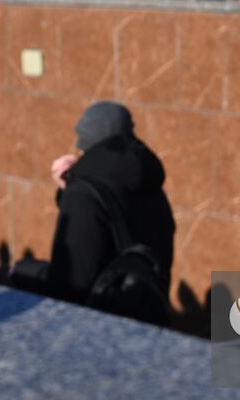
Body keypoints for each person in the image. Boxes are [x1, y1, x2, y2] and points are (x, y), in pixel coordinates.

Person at [10, 102, 175, 314]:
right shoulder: (148, 181)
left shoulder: (83, 195)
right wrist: (72, 186)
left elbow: (69, 286)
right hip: (149, 313)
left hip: (106, 321)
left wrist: (26, 271)